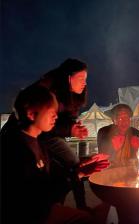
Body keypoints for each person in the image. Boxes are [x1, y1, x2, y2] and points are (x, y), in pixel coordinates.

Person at [1, 58, 104, 209]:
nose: (84, 83)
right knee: (67, 165)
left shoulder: (71, 97)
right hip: (34, 134)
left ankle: (59, 206)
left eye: (86, 79)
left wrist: (73, 126)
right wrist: (70, 129)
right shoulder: (47, 91)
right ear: (68, 77)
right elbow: (37, 114)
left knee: (61, 171)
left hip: (47, 136)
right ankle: (67, 207)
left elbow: (62, 119)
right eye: (81, 78)